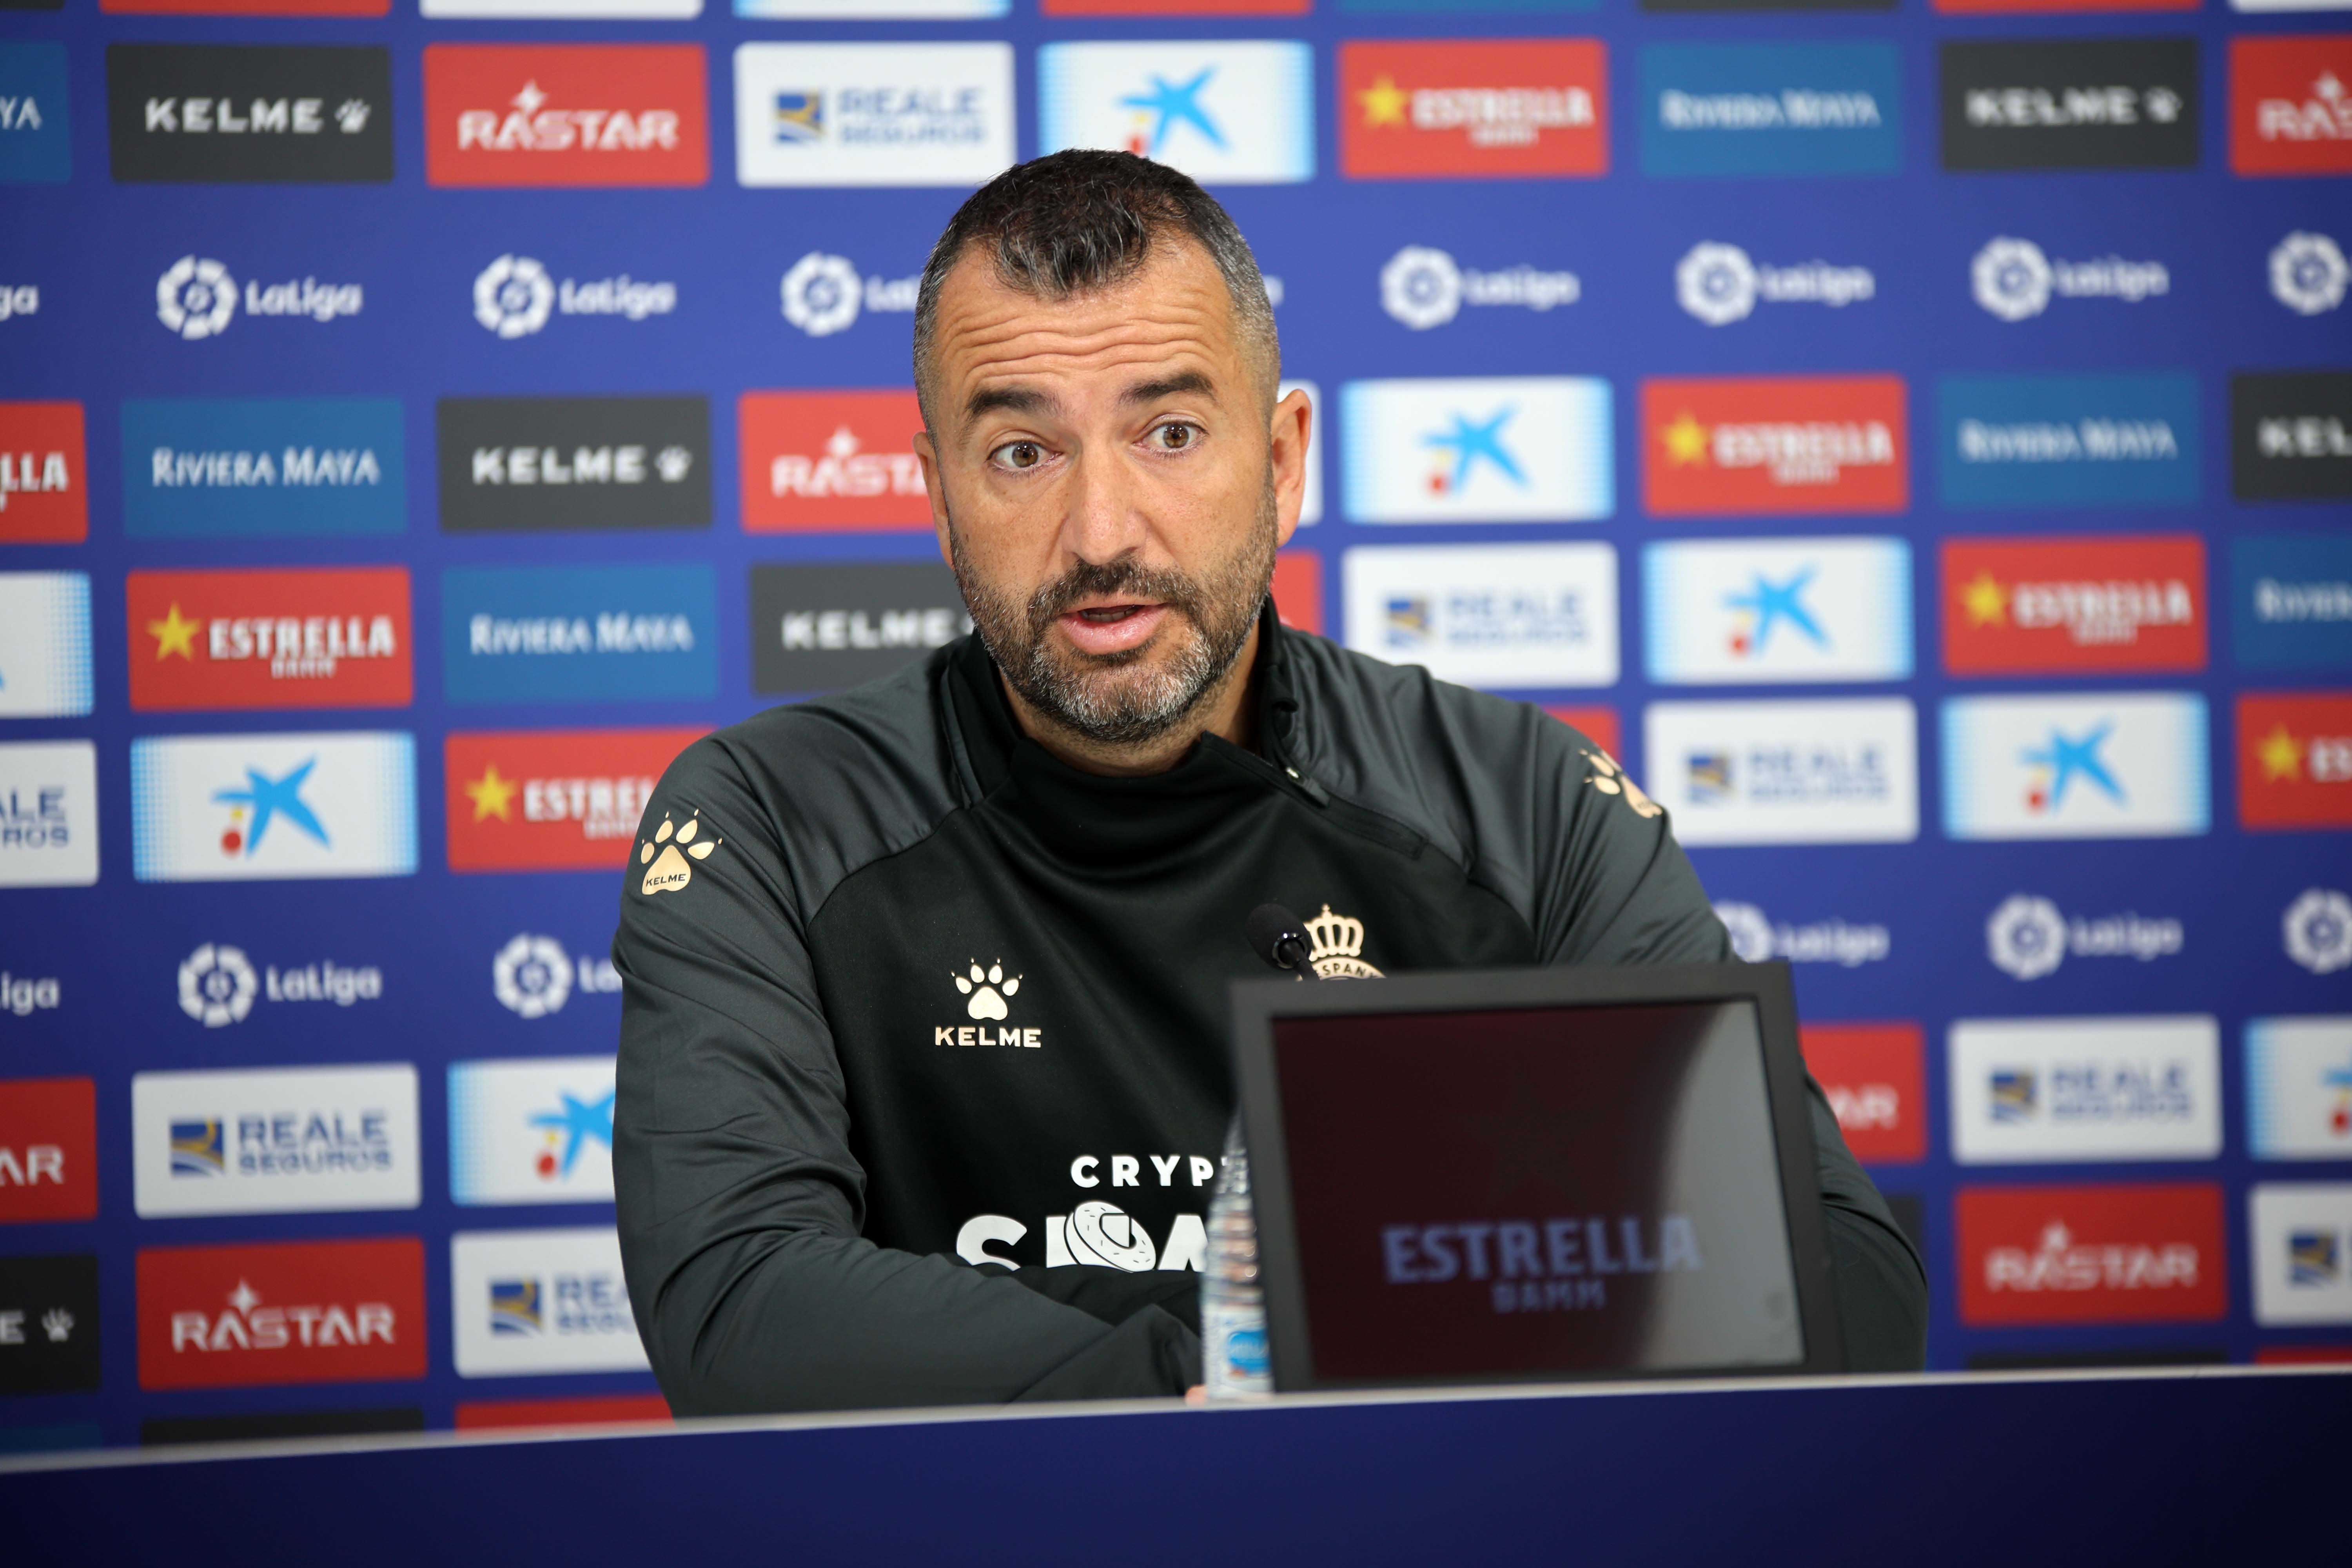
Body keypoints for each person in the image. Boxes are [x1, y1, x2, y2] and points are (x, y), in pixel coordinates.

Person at [612, 150, 1928, 1414]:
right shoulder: (772, 821)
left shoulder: (1524, 807)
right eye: (1022, 453)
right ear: (939, 496)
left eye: (1172, 433)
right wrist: (1258, 1383)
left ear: (1285, 461)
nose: (1102, 533)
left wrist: (1293, 1388)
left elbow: (1835, 1282)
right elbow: (739, 1306)